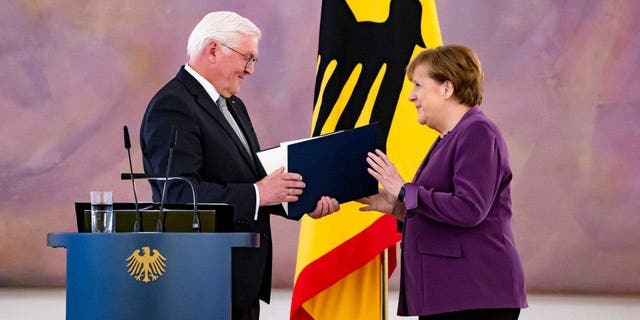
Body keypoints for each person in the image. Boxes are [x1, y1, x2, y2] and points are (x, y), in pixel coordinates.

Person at [140, 11, 339, 320]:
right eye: (247, 58)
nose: (251, 71)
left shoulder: (232, 104)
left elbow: (250, 180)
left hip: (240, 280)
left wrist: (300, 199)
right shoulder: (173, 106)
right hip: (202, 281)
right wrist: (259, 194)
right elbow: (177, 196)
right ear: (213, 50)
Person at [360, 44, 527, 319]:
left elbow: (470, 208)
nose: (411, 97)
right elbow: (445, 210)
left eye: (418, 86)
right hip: (452, 293)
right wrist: (397, 206)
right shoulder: (451, 137)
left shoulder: (478, 132)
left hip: (474, 293)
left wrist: (404, 190)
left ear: (447, 88)